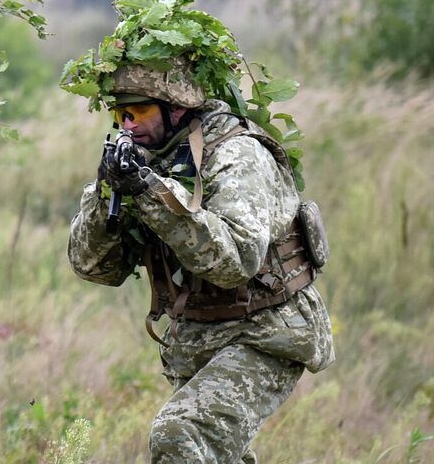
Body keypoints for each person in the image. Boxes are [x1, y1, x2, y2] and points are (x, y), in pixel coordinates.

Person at [67, 56, 333, 463]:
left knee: (179, 435)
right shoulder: (146, 156)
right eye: (120, 114)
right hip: (197, 339)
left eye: (138, 112)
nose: (127, 125)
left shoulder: (237, 154)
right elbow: (95, 268)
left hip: (265, 333)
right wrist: (108, 193)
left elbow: (235, 262)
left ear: (176, 109)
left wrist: (150, 192)